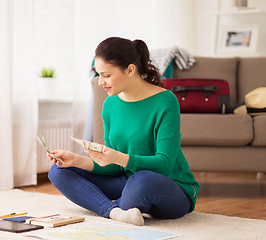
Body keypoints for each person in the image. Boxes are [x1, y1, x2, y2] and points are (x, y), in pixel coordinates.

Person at [48, 37, 200, 226]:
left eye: (106, 75)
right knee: (59, 171)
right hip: (127, 183)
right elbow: (114, 166)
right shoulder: (110, 104)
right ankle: (114, 211)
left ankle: (112, 205)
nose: (100, 82)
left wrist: (118, 158)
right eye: (98, 75)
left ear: (130, 70)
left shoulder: (165, 101)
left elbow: (165, 165)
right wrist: (77, 160)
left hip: (167, 187)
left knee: (142, 179)